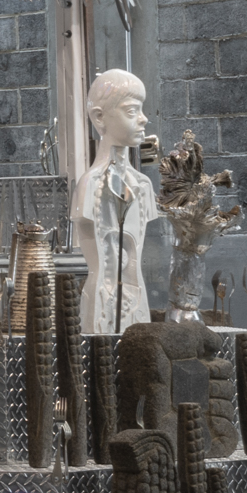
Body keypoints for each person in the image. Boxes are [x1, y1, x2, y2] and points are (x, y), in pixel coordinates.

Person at [72, 69, 160, 336]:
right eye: (132, 111)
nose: (144, 119)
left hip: (137, 304)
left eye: (141, 110)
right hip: (101, 307)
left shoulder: (143, 186)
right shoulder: (89, 185)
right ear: (100, 117)